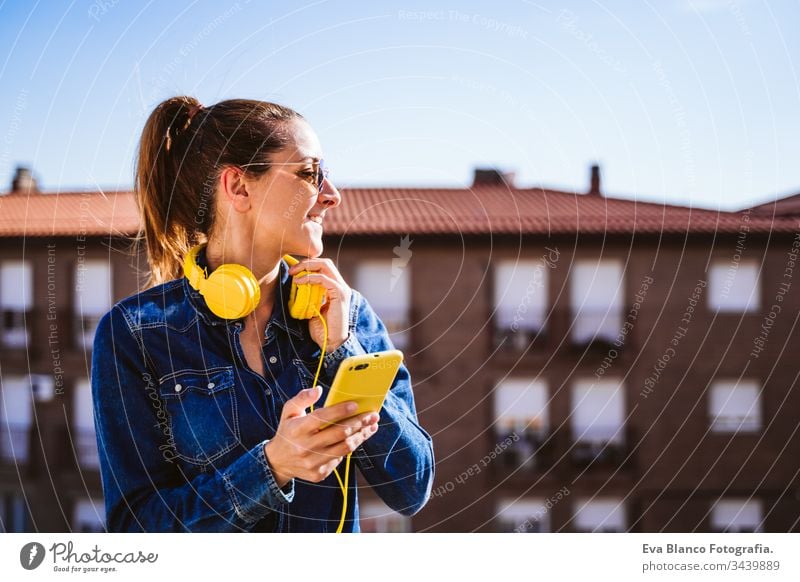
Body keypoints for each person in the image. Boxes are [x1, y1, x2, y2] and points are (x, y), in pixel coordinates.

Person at [91, 96, 435, 532]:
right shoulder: (135, 335)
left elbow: (413, 487)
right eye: (310, 174)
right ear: (238, 187)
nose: (332, 195)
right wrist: (271, 467)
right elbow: (135, 530)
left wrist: (340, 350)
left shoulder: (348, 314)